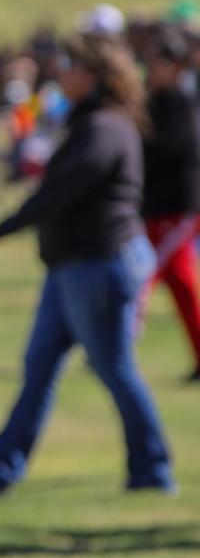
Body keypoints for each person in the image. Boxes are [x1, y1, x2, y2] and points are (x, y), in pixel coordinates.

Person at [0, 34, 176, 495]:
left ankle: (154, 471)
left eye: (71, 65)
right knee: (39, 368)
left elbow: (58, 194)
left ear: (95, 75)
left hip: (99, 267)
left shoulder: (105, 128)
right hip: (70, 268)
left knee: (115, 369)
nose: (62, 72)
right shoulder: (87, 122)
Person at [141, 27, 200, 382]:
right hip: (156, 206)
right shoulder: (154, 99)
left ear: (175, 66)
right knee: (181, 285)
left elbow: (168, 150)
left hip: (178, 206)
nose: (151, 68)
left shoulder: (181, 103)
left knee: (143, 277)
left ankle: (109, 346)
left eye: (158, 62)